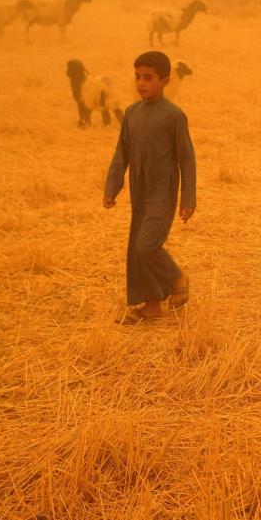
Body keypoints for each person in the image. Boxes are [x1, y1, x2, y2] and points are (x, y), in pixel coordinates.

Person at [103, 51, 196, 323]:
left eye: (148, 78)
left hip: (162, 193)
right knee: (136, 248)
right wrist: (112, 186)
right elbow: (121, 155)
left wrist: (188, 198)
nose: (141, 83)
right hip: (139, 191)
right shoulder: (131, 114)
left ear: (165, 81)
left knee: (147, 246)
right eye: (137, 77)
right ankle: (151, 305)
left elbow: (187, 161)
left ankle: (177, 278)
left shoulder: (174, 116)